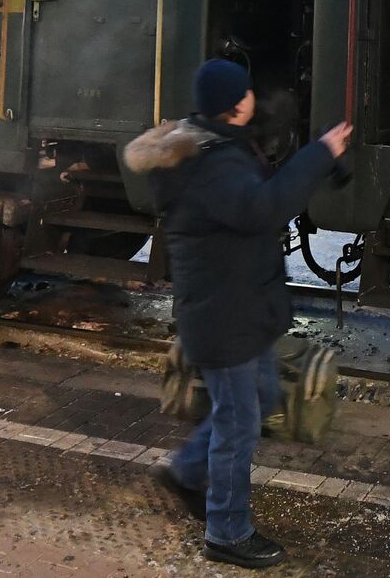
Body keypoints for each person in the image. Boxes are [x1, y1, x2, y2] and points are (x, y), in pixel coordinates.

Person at [123, 59, 352, 569]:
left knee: (262, 394)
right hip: (224, 314)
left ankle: (185, 472)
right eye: (248, 91)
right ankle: (227, 532)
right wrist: (318, 154)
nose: (253, 96)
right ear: (237, 103)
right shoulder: (214, 162)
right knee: (239, 423)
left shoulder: (209, 144)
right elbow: (263, 208)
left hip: (237, 306)